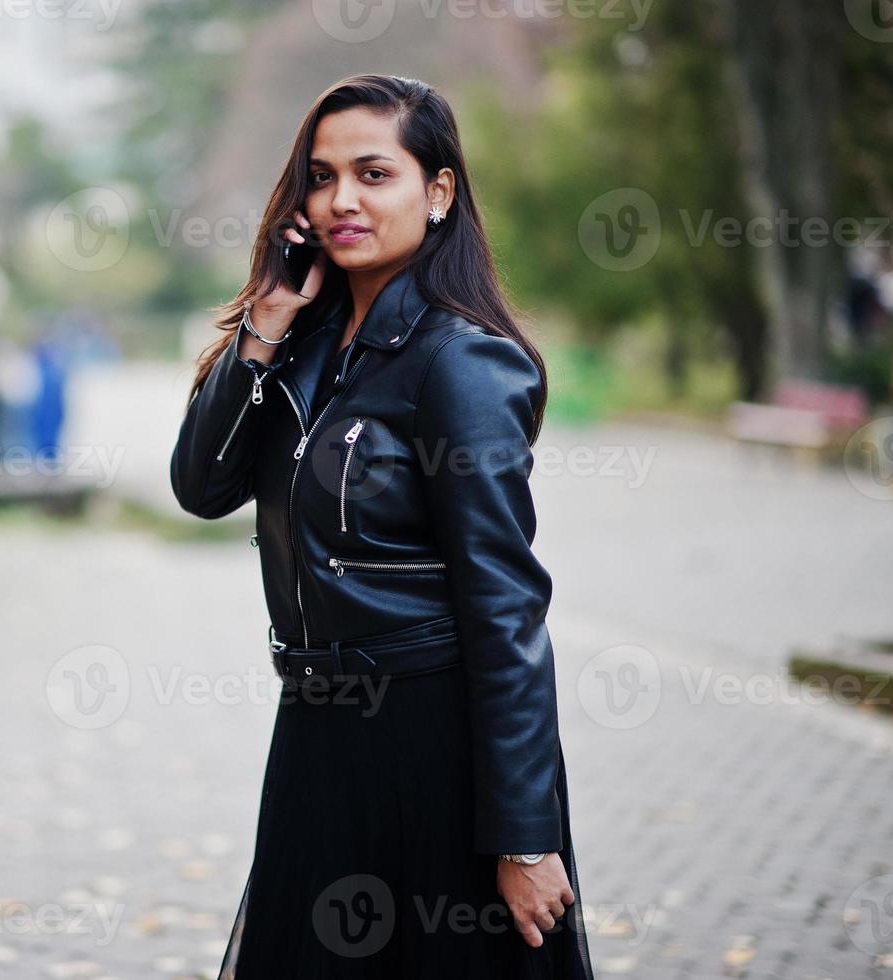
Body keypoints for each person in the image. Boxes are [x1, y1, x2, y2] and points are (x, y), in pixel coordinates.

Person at [170, 75, 595, 979]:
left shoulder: (464, 362)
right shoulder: (305, 350)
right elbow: (202, 486)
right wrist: (267, 324)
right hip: (317, 737)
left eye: (373, 172)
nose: (340, 201)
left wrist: (522, 837)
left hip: (429, 744)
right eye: (320, 178)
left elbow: (504, 607)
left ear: (437, 192)